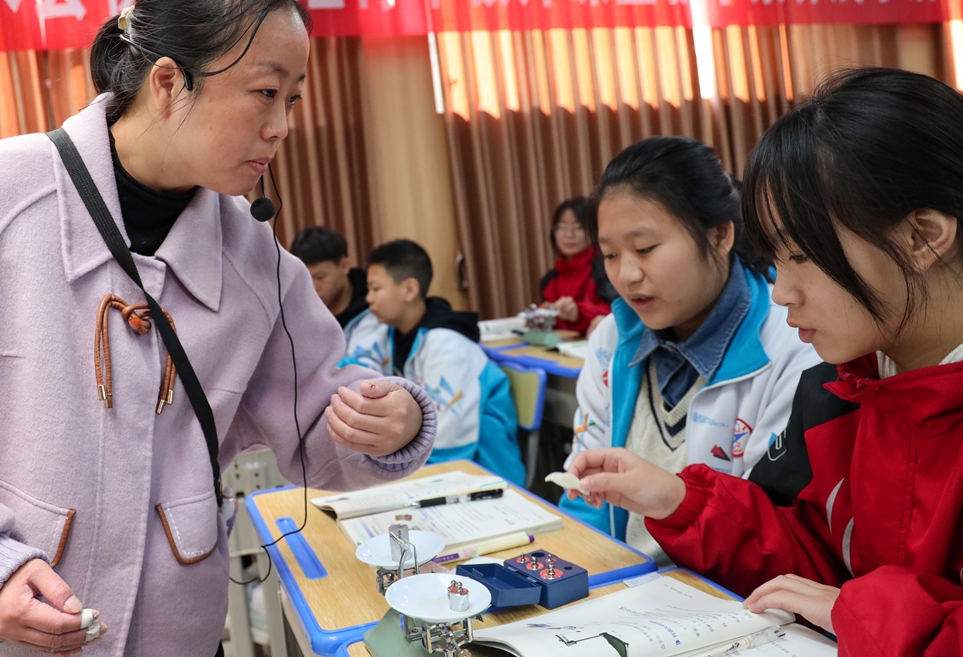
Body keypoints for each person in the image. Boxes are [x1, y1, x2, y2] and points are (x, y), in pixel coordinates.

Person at [0, 0, 437, 657]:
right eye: (266, 94)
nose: (283, 127)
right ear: (170, 82)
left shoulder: (256, 260)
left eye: (293, 100)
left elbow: (321, 419)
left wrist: (392, 419)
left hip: (175, 634)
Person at [565, 68, 963, 654]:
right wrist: (684, 503)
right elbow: (806, 560)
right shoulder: (836, 390)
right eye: (776, 259)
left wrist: (865, 613)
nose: (781, 292)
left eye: (804, 255)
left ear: (923, 236)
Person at [559, 137, 819, 566]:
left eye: (645, 249)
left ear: (719, 235)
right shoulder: (611, 339)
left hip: (731, 598)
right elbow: (584, 493)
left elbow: (771, 530)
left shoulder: (792, 343)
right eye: (609, 254)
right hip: (619, 583)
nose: (626, 274)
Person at [341, 239, 525, 485]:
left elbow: (450, 442)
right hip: (436, 469)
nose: (369, 299)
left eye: (375, 289)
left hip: (484, 475)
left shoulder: (447, 346)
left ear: (409, 289)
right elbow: (362, 369)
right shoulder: (393, 336)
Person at [540, 197, 614, 335]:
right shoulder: (550, 279)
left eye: (578, 227)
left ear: (593, 230)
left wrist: (578, 312)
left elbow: (617, 311)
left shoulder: (605, 267)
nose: (569, 235)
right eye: (562, 227)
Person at [290, 225, 369, 329]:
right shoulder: (295, 313)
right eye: (305, 279)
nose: (314, 287)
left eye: (320, 277)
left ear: (344, 266)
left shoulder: (374, 304)